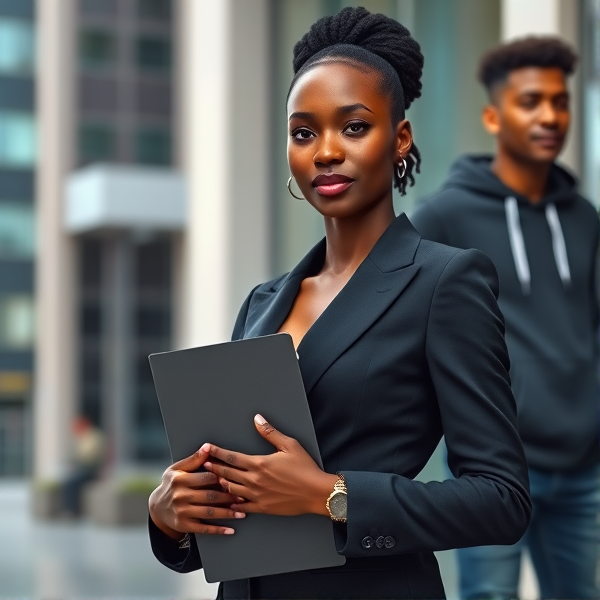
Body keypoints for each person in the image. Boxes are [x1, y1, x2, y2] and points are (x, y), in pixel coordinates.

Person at [148, 8, 531, 599]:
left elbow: (501, 500)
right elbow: (230, 503)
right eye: (304, 133)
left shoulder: (445, 282)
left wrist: (331, 496)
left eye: (353, 127)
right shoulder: (263, 301)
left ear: (399, 139)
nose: (325, 151)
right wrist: (171, 514)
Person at [411, 37, 600, 600]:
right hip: (492, 468)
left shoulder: (586, 219)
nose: (550, 116)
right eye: (531, 101)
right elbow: (406, 319)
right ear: (493, 116)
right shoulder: (445, 214)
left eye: (561, 102)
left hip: (582, 466)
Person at [62, 415, 105, 516]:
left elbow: (88, 456)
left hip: (92, 470)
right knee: (68, 481)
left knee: (71, 483)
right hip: (84, 468)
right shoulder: (83, 437)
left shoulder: (93, 436)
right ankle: (70, 509)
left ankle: (72, 510)